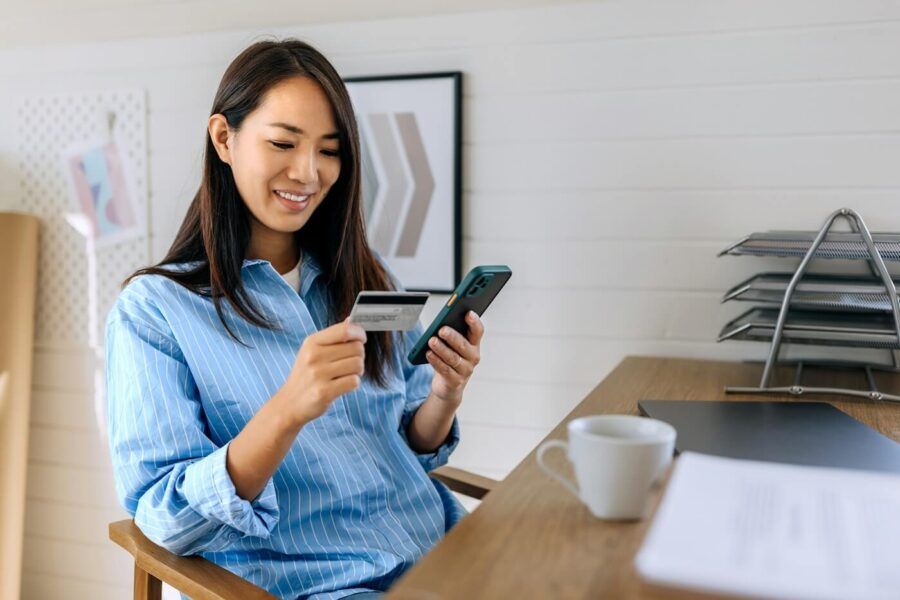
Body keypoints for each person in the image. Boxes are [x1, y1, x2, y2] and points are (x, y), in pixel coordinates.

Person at [105, 38, 484, 599]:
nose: (307, 173)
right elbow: (166, 518)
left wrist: (446, 394)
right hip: (323, 587)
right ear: (224, 138)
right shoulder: (155, 312)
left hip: (442, 557)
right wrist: (286, 410)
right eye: (283, 142)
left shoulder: (365, 276)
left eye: (329, 150)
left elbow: (408, 438)